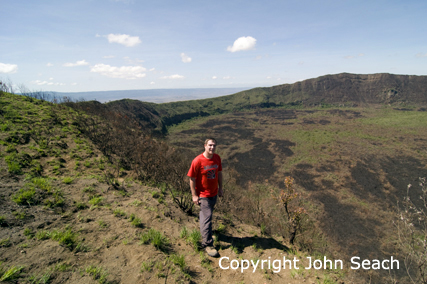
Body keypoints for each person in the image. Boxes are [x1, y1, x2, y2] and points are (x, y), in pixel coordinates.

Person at [187, 138, 223, 257]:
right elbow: (192, 178)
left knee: (207, 216)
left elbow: (219, 173)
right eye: (210, 145)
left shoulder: (217, 158)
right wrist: (194, 195)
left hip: (213, 193)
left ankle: (206, 234)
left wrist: (220, 188)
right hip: (203, 195)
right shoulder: (197, 161)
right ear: (205, 146)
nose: (212, 148)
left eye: (214, 145)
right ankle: (207, 244)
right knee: (206, 218)